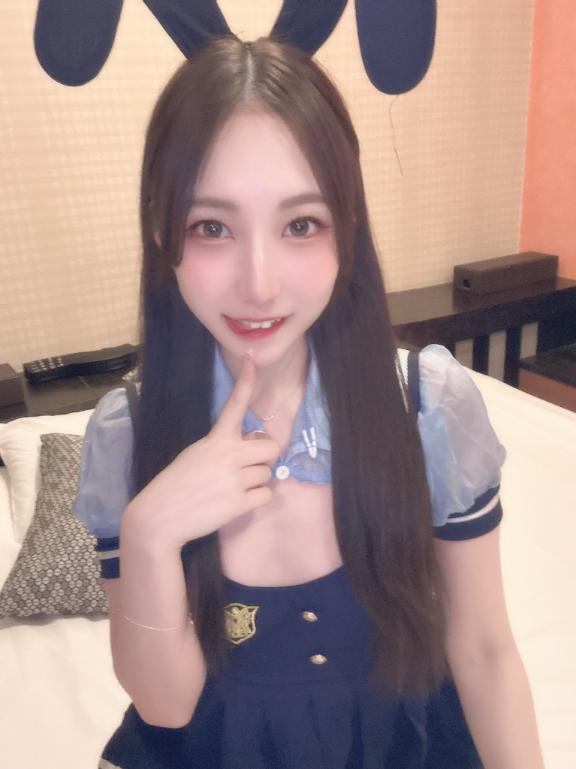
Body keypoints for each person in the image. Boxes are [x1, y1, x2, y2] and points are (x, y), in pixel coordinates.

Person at [73, 35, 545, 769]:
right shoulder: (129, 436)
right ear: (164, 233)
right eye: (211, 227)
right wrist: (149, 532)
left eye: (300, 224)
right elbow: (166, 708)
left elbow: (484, 649)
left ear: (345, 231)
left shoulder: (426, 406)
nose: (259, 284)